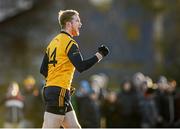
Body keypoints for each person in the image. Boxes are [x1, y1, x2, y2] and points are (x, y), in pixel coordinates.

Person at [40, 9, 109, 128]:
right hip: (58, 91)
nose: (80, 24)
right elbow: (81, 66)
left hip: (55, 90)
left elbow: (43, 70)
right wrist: (100, 55)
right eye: (77, 21)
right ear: (68, 24)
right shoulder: (69, 42)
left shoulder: (53, 42)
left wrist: (56, 84)